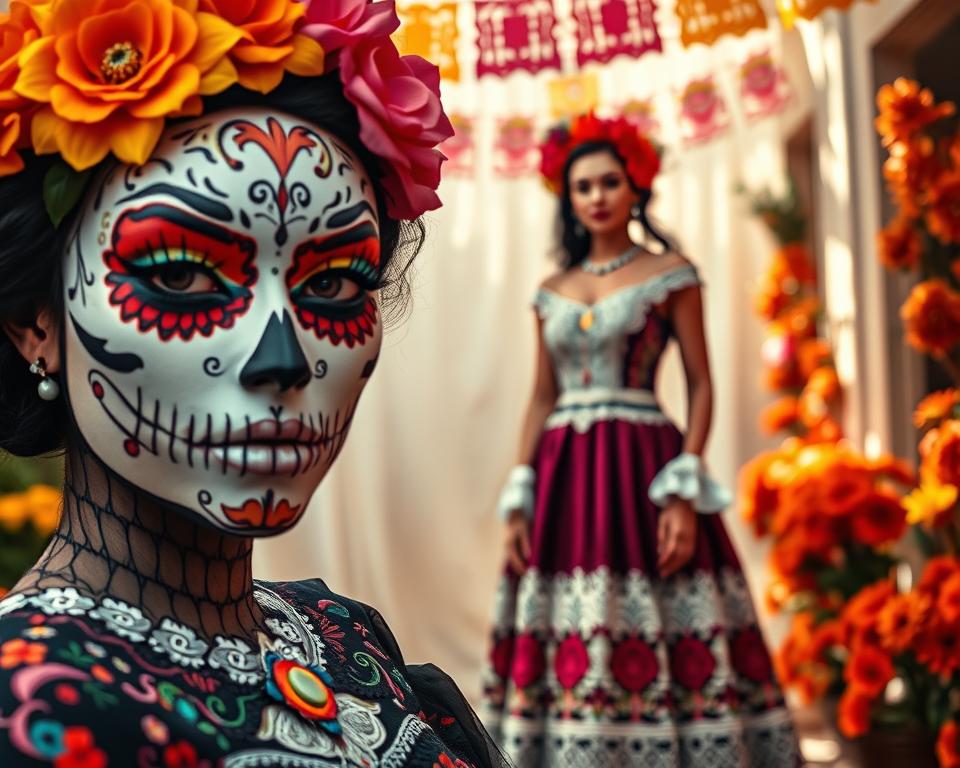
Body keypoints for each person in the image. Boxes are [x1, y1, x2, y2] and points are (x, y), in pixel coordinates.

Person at [0, 1, 506, 765]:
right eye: (178, 275)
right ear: (35, 322)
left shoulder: (347, 634)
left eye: (336, 284)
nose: (284, 357)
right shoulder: (23, 701)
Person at [480, 114, 799, 767]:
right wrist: (520, 490)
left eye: (608, 183)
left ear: (635, 188)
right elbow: (542, 395)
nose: (595, 196)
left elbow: (702, 385)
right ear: (567, 199)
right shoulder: (551, 291)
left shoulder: (671, 273)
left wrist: (683, 489)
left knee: (658, 597)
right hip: (564, 471)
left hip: (641, 464)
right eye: (582, 187)